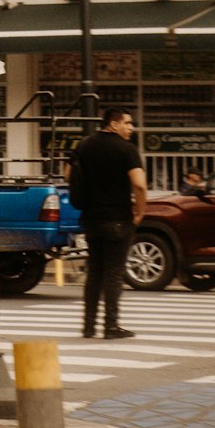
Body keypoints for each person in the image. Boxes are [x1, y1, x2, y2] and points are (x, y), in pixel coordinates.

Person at [69, 109, 147, 340]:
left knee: (94, 272)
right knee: (113, 273)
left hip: (91, 218)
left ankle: (88, 326)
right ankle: (111, 326)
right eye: (128, 123)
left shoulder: (83, 145)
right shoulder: (127, 149)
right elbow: (139, 185)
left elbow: (68, 175)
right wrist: (140, 213)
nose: (131, 128)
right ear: (113, 124)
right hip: (118, 218)